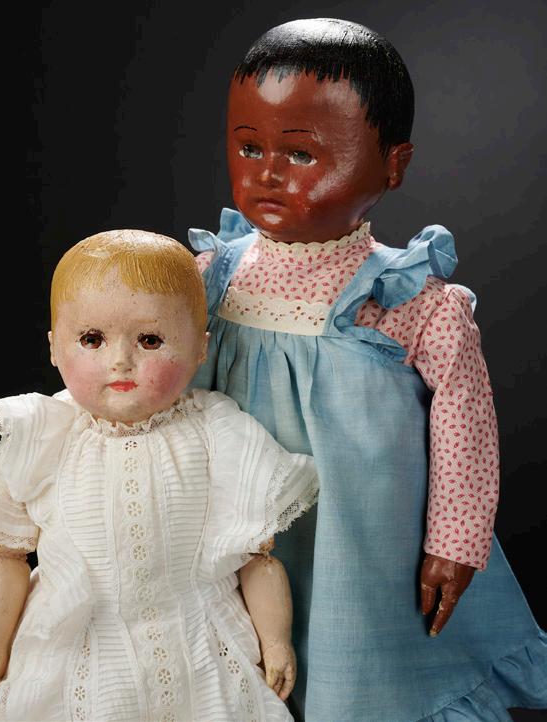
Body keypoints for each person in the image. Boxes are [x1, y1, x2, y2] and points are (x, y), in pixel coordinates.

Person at [188, 17, 547, 722]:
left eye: (300, 154)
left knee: (352, 659)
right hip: (234, 519)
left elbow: (465, 429)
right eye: (249, 146)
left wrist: (455, 541)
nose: (266, 172)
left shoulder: (410, 298)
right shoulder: (210, 277)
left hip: (358, 534)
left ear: (392, 164)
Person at [0, 229, 318, 722]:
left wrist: (275, 640)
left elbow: (257, 559)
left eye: (150, 340)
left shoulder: (219, 433)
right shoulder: (45, 435)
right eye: (92, 339)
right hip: (75, 641)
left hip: (197, 640)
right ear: (54, 348)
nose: (120, 361)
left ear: (200, 348)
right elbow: (5, 556)